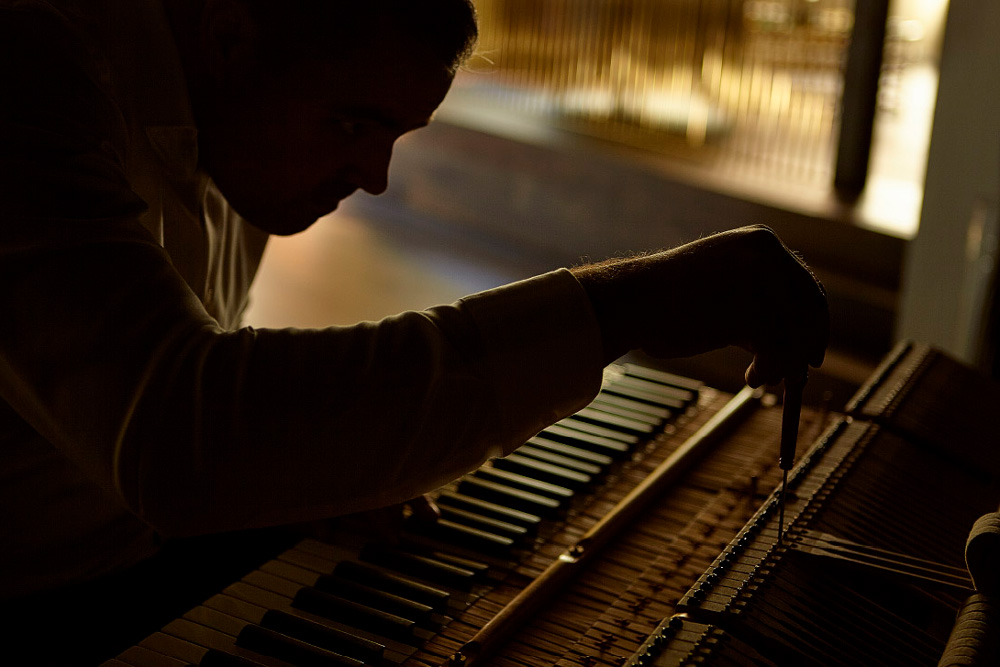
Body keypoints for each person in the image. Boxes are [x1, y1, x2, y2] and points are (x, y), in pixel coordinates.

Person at [0, 0, 828, 660]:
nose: (377, 177)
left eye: (394, 136)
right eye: (354, 124)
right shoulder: (29, 74)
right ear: (228, 38)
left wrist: (300, 475)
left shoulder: (234, 121)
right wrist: (618, 307)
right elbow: (180, 437)